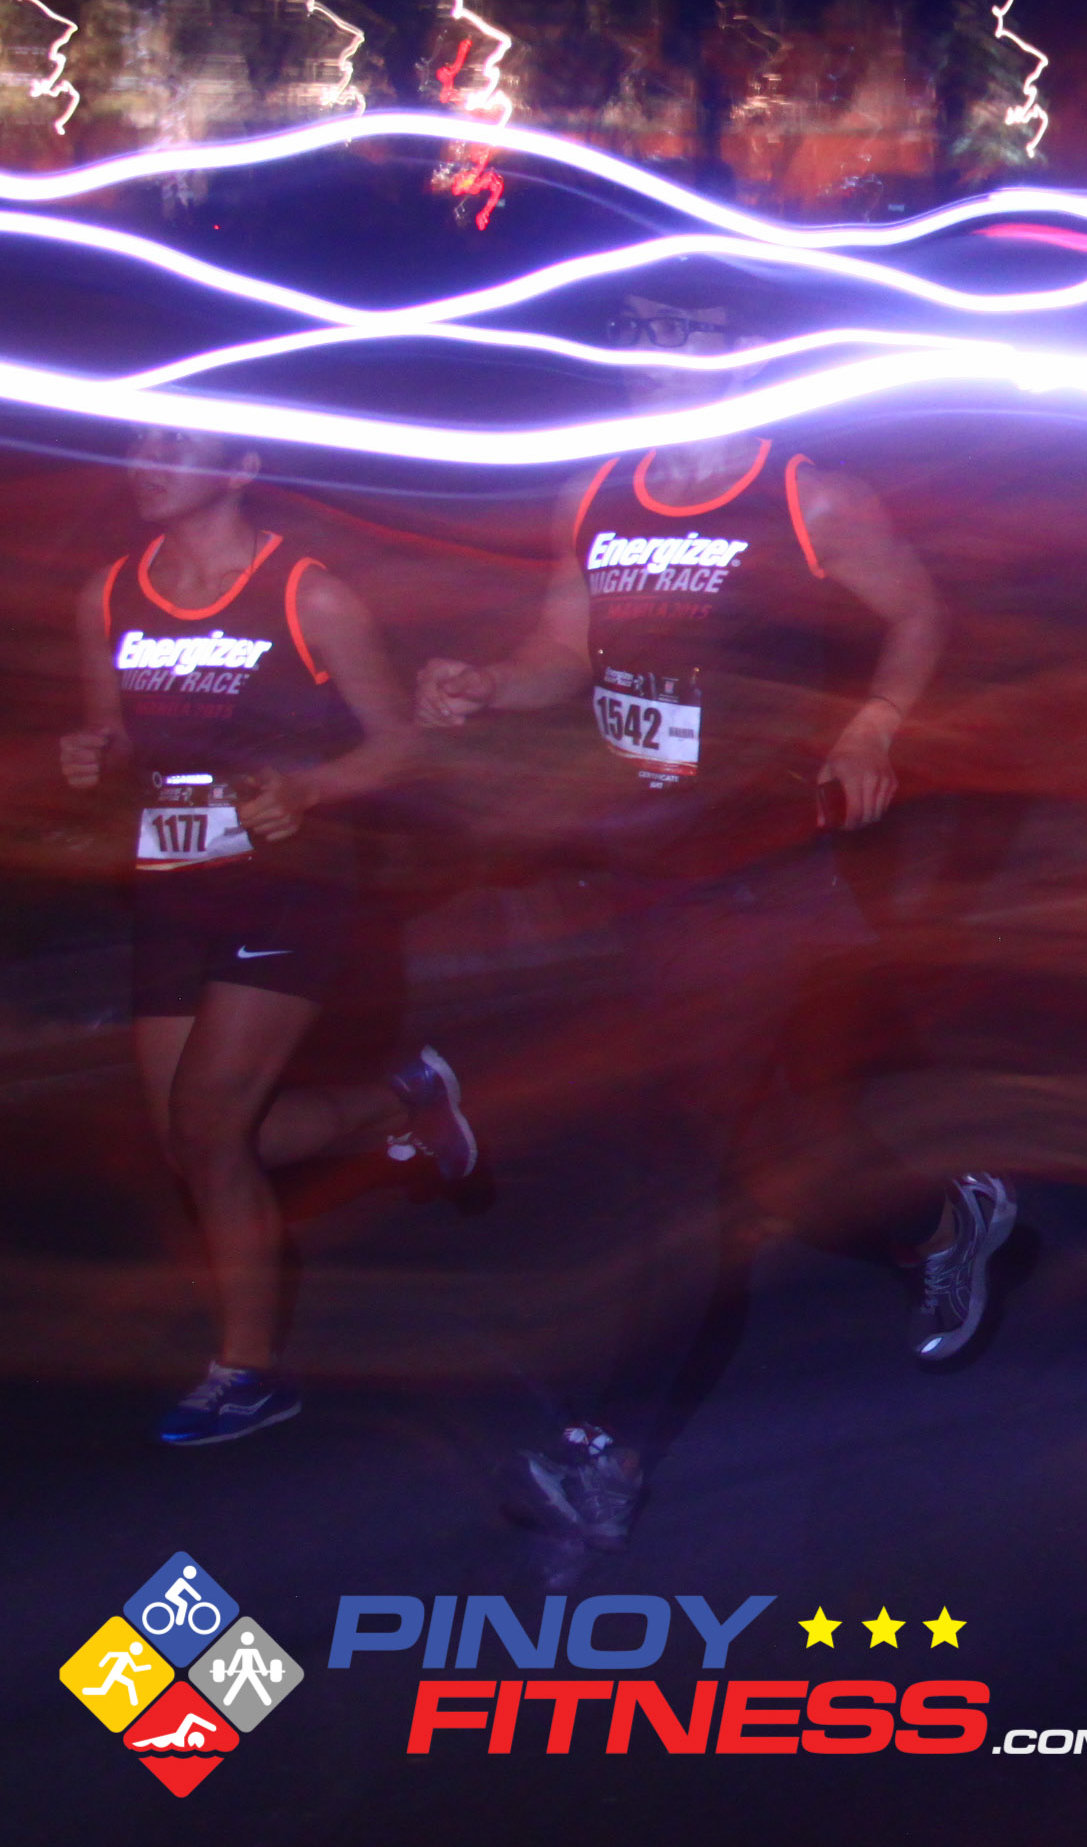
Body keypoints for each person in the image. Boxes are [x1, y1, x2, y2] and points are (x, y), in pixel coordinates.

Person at [415, 294, 1002, 1556]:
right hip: (653, 874)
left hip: (766, 871)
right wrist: (487, 684)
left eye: (680, 341)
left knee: (677, 1166)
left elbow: (918, 614)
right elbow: (562, 651)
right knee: (795, 1158)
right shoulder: (593, 494)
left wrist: (873, 727)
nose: (651, 365)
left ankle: (606, 1457)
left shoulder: (805, 495)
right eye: (634, 341)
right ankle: (944, 1223)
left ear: (738, 356)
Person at [63, 426, 474, 1446]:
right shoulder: (108, 594)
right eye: (140, 443)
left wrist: (311, 789)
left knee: (209, 1127)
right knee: (191, 1144)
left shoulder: (308, 594)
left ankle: (245, 1372)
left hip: (290, 890)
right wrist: (92, 753)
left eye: (177, 446)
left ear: (241, 469)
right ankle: (405, 1102)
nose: (147, 463)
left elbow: (402, 746)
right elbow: (114, 733)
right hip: (172, 885)